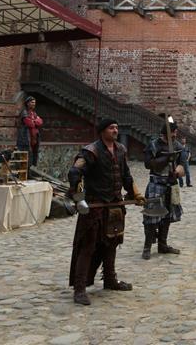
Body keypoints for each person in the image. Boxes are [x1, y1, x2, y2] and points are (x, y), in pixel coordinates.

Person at [67, 119, 143, 306]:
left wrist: (135, 193)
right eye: (111, 128)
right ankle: (79, 289)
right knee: (88, 246)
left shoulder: (121, 150)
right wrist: (77, 196)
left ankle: (110, 279)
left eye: (117, 127)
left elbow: (126, 175)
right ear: (102, 131)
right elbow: (75, 172)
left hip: (115, 204)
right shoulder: (91, 151)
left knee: (112, 243)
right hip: (96, 205)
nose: (115, 130)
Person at [141, 122, 184, 260]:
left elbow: (183, 164)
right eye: (173, 132)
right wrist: (166, 158)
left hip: (170, 183)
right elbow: (148, 164)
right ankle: (147, 247)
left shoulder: (177, 145)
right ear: (166, 133)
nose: (175, 134)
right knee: (152, 217)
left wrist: (177, 172)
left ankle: (162, 244)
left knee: (167, 217)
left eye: (176, 132)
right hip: (156, 183)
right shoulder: (154, 145)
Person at [16, 96, 43, 167]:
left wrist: (35, 120)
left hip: (34, 139)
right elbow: (29, 123)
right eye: (32, 102)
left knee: (33, 156)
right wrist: (35, 121)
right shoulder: (24, 112)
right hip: (26, 139)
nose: (34, 104)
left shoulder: (34, 113)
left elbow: (40, 122)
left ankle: (30, 171)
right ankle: (26, 173)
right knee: (26, 156)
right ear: (28, 103)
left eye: (34, 102)